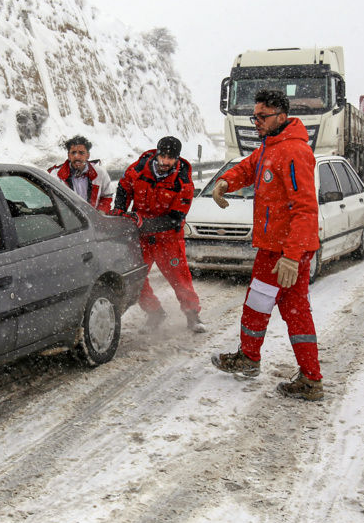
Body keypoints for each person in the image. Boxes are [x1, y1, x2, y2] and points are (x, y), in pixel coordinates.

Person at [209, 89, 324, 401]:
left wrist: (291, 255)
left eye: (262, 116)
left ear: (281, 117)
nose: (256, 122)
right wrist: (225, 182)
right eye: (254, 116)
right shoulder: (270, 147)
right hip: (281, 249)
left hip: (281, 251)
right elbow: (247, 169)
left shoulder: (294, 152)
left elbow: (305, 209)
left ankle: (249, 358)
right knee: (296, 311)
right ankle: (311, 379)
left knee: (257, 305)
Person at [113, 135, 202, 330]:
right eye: (163, 157)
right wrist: (120, 211)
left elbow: (176, 217)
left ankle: (192, 315)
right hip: (140, 238)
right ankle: (154, 312)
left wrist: (144, 223)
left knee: (180, 279)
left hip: (168, 237)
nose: (165, 162)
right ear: (157, 154)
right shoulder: (138, 169)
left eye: (171, 158)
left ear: (177, 159)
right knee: (135, 279)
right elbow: (123, 188)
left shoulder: (184, 182)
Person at [48, 135, 114, 211]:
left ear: (88, 155)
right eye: (73, 153)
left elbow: (106, 197)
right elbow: (51, 200)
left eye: (81, 153)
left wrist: (100, 213)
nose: (77, 157)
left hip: (92, 220)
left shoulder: (99, 173)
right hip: (66, 220)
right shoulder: (56, 175)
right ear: (69, 156)